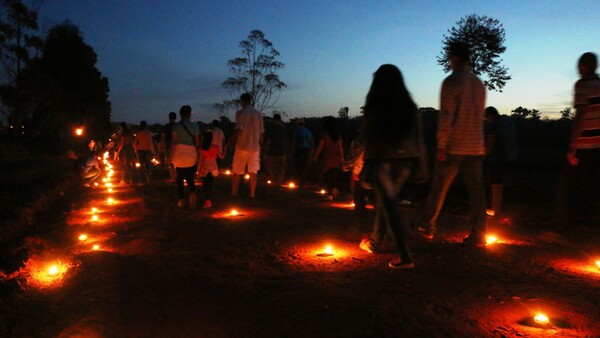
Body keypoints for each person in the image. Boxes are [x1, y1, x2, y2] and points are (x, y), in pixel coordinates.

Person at [417, 41, 487, 246]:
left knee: (439, 187)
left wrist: (441, 144)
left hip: (455, 146)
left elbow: (446, 115)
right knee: (477, 192)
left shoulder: (451, 81)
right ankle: (479, 234)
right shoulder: (478, 83)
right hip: (475, 145)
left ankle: (427, 225)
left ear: (454, 57)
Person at [358, 64, 428, 270]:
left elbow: (367, 138)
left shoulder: (375, 105)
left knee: (390, 207)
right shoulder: (409, 106)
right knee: (385, 202)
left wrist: (364, 167)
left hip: (382, 161)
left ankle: (405, 256)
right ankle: (374, 241)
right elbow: (419, 137)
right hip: (406, 162)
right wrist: (422, 164)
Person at [558, 52, 600, 228]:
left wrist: (573, 146)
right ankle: (591, 222)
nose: (577, 69)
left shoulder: (582, 85)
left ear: (587, 66)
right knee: (594, 184)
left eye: (579, 66)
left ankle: (562, 222)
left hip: (584, 144)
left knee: (566, 184)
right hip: (599, 145)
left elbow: (581, 114)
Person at [229, 93, 264, 200]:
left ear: (242, 101)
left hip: (242, 146)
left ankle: (234, 193)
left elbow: (239, 129)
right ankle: (252, 194)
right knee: (253, 172)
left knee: (237, 171)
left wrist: (230, 140)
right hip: (255, 147)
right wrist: (260, 144)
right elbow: (262, 132)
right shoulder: (258, 114)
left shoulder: (240, 113)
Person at [484, 106, 517, 218]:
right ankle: (496, 210)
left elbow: (490, 143)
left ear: (489, 116)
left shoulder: (493, 125)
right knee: (499, 185)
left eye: (486, 118)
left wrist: (483, 154)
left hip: (496, 159)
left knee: (495, 185)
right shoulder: (506, 122)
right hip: (508, 157)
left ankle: (496, 213)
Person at [168, 105, 200, 208]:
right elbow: (197, 143)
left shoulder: (176, 126)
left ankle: (181, 200)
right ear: (190, 113)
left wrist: (170, 157)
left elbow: (173, 142)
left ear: (180, 114)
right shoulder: (195, 126)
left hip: (179, 155)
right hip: (191, 154)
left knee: (180, 178)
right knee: (190, 177)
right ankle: (192, 194)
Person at [312, 116, 344, 200]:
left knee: (328, 176)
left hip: (327, 157)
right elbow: (340, 147)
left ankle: (330, 194)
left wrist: (315, 156)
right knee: (334, 175)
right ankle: (334, 189)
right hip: (336, 157)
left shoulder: (325, 134)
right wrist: (342, 157)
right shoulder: (338, 134)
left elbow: (320, 146)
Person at [197, 131, 225, 208]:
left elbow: (200, 160)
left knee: (206, 185)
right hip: (213, 167)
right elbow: (221, 157)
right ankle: (209, 200)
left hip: (205, 168)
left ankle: (207, 201)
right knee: (210, 184)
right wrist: (225, 150)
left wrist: (198, 171)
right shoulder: (215, 147)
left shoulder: (202, 148)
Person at [265, 113, 288, 186]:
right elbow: (286, 140)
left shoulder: (273, 128)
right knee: (281, 169)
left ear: (274, 119)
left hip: (273, 151)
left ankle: (275, 180)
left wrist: (266, 150)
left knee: (271, 166)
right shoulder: (284, 128)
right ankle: (278, 183)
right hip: (283, 151)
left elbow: (269, 140)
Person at [291, 118, 313, 188]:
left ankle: (301, 182)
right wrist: (311, 153)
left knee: (298, 166)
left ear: (297, 124)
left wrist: (291, 152)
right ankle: (303, 182)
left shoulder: (297, 132)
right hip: (307, 150)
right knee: (304, 167)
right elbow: (312, 144)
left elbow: (294, 143)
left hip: (299, 151)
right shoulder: (309, 132)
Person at [134, 120, 156, 185]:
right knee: (147, 165)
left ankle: (140, 180)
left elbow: (135, 143)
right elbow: (150, 142)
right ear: (146, 125)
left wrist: (136, 151)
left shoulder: (138, 133)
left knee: (140, 165)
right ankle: (148, 179)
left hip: (140, 151)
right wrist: (153, 151)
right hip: (147, 150)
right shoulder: (148, 133)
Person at [160, 112, 178, 182]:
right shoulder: (178, 126)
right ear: (175, 118)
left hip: (169, 146)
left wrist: (161, 146)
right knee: (178, 162)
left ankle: (173, 178)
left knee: (170, 163)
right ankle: (178, 177)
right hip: (178, 146)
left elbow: (163, 138)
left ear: (169, 117)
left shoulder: (165, 127)